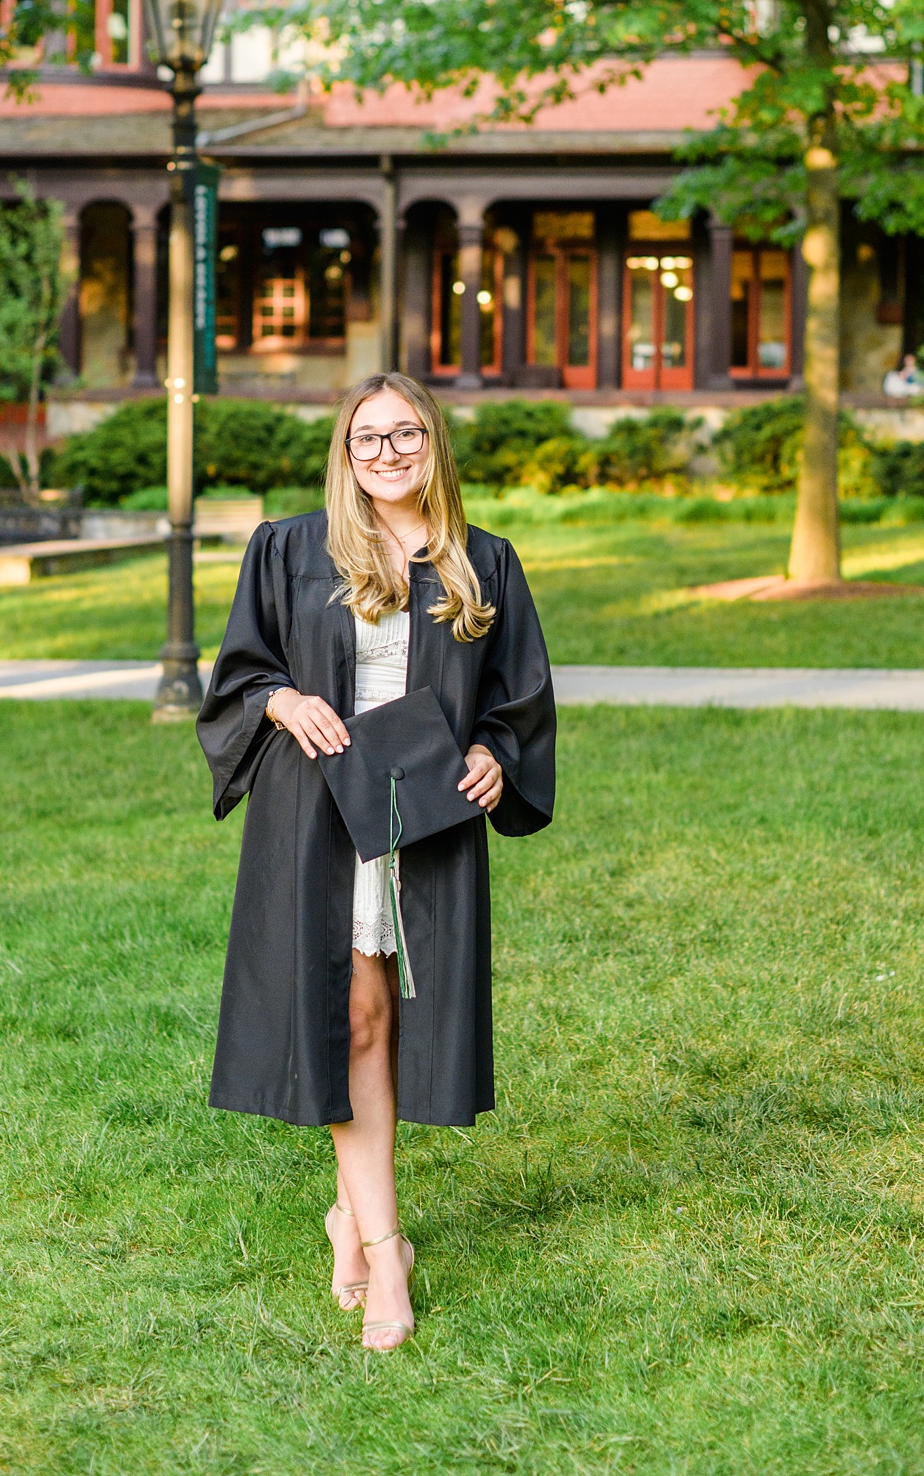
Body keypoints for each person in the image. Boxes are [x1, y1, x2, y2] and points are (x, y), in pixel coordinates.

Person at [196, 373, 555, 1351]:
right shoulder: (292, 548)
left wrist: (492, 754)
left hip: (427, 811)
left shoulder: (483, 561)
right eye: (367, 437)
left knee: (394, 1019)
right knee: (352, 1011)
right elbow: (239, 668)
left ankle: (349, 1215)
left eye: (406, 434)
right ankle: (385, 1245)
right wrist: (280, 700)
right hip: (321, 810)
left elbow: (516, 698)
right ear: (345, 452)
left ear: (434, 445)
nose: (387, 452)